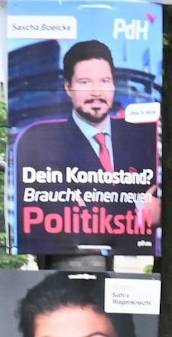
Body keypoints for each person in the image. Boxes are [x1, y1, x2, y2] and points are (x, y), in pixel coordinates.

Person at [13, 39, 161, 231]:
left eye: (105, 81)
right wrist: (140, 210)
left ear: (113, 85)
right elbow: (55, 217)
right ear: (68, 87)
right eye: (85, 82)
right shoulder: (42, 145)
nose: (96, 92)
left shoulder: (141, 138)